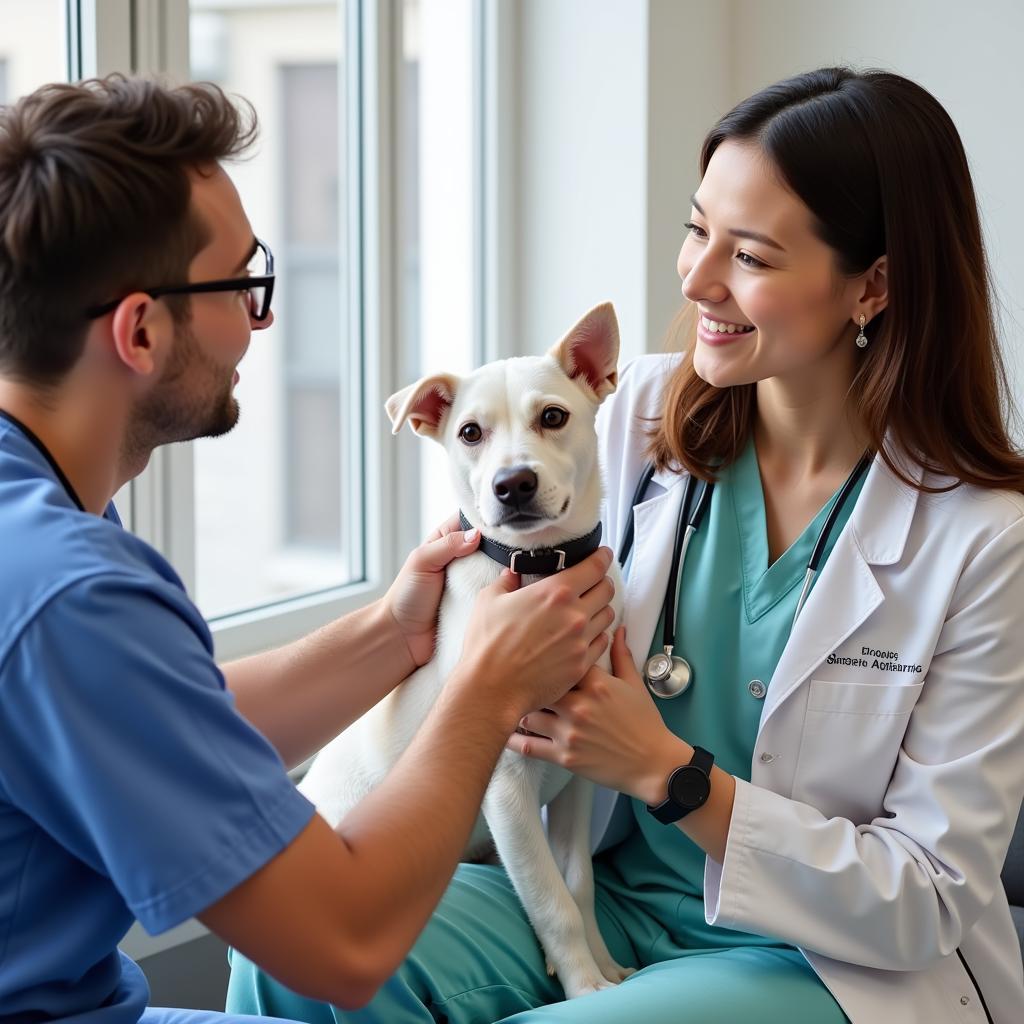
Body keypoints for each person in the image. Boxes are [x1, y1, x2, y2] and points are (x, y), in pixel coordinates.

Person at [228, 67, 1024, 1024]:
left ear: (873, 285)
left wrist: (668, 773)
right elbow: (488, 574)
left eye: (753, 256)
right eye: (697, 231)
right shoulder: (625, 414)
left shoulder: (985, 538)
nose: (695, 280)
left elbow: (928, 897)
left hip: (824, 955)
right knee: (294, 960)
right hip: (604, 888)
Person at [0, 75, 618, 1024]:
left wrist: (394, 634)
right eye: (246, 282)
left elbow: (166, 721)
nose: (266, 319)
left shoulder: (33, 513)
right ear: (140, 329)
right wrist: (485, 692)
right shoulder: (70, 591)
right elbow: (343, 944)